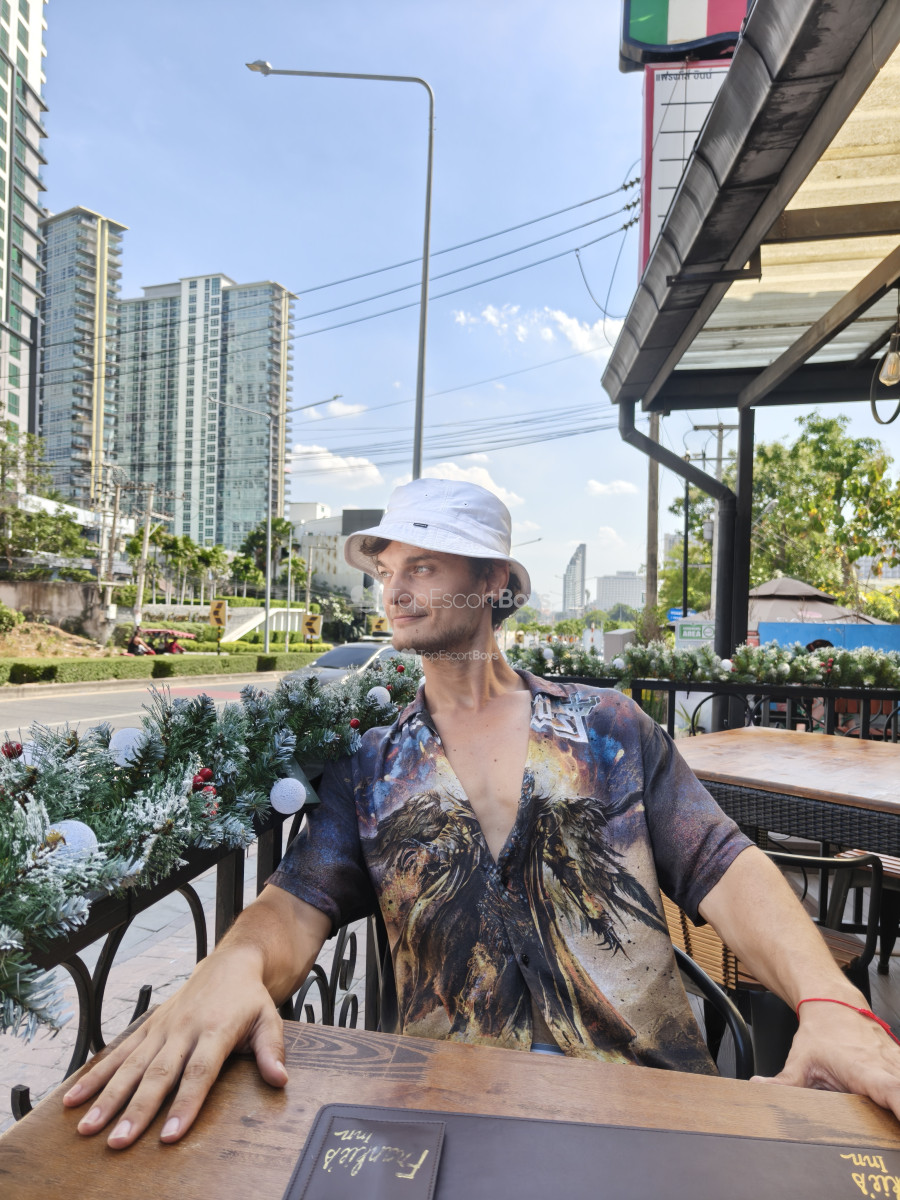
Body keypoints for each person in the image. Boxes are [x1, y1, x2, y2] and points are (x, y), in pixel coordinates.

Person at [65, 479, 900, 1149]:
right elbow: (296, 902)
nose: (395, 590)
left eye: (423, 567)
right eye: (386, 571)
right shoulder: (371, 765)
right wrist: (234, 964)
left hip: (646, 1105)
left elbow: (723, 861)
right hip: (450, 1112)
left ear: (495, 581)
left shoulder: (608, 728)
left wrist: (831, 1003)